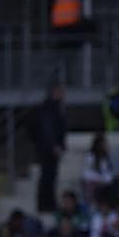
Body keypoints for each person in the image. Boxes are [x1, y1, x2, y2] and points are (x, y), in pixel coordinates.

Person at [31, 84, 67, 213]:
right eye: (60, 92)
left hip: (49, 148)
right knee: (47, 177)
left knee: (50, 177)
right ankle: (46, 204)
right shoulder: (49, 108)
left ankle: (48, 204)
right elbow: (48, 129)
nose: (63, 94)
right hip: (48, 149)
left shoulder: (54, 107)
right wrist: (54, 146)